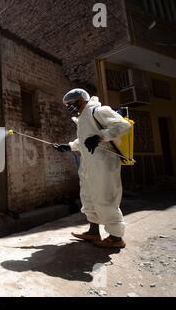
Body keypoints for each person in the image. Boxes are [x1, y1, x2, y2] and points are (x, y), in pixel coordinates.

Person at [53, 89, 131, 249]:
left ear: (81, 100)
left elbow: (123, 126)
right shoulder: (82, 117)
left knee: (105, 196)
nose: (69, 108)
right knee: (88, 197)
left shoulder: (99, 110)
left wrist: (100, 137)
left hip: (104, 163)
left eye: (70, 104)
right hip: (88, 163)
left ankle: (116, 238)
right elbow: (84, 140)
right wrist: (69, 147)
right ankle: (93, 231)